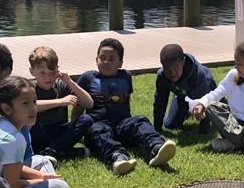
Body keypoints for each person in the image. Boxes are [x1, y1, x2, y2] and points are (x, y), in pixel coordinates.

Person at [0, 76, 101, 188]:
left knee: (41, 160)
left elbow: (9, 166)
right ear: (7, 109)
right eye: (26, 103)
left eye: (34, 102)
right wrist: (39, 182)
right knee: (60, 187)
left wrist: (41, 176)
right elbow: (12, 185)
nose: (33, 108)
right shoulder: (12, 138)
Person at [77, 38, 177, 175]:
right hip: (99, 127)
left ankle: (156, 148)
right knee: (97, 129)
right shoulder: (87, 78)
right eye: (102, 58)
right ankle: (118, 157)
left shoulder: (125, 76)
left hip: (122, 125)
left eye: (112, 59)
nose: (106, 62)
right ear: (96, 59)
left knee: (140, 120)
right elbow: (78, 106)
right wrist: (77, 131)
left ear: (120, 63)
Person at [27, 45, 96, 160]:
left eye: (52, 72)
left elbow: (89, 103)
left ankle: (50, 152)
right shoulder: (29, 88)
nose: (48, 77)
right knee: (30, 125)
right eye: (42, 73)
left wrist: (70, 82)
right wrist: (60, 102)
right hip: (39, 132)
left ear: (57, 69)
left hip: (60, 131)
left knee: (86, 120)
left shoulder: (61, 85)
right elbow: (30, 107)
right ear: (32, 71)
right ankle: (62, 152)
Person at [152, 43, 216, 134]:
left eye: (176, 68)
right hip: (183, 96)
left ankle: (220, 104)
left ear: (183, 62)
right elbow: (160, 102)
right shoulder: (162, 76)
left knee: (219, 115)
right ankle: (187, 110)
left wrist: (203, 131)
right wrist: (157, 129)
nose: (172, 73)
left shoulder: (199, 75)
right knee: (170, 124)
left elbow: (205, 102)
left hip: (207, 93)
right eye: (167, 69)